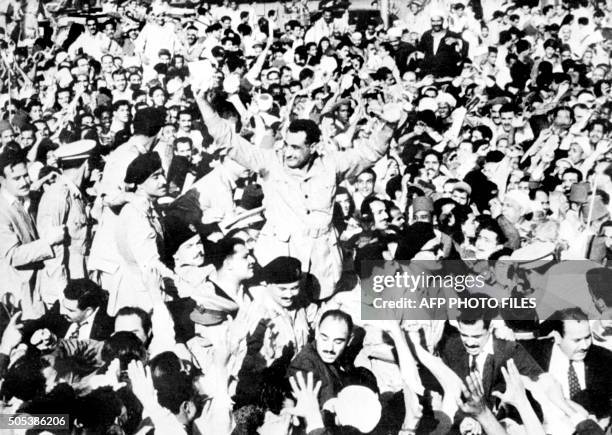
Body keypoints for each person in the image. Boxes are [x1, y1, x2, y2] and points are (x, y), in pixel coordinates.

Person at [196, 93, 402, 300]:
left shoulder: (332, 165)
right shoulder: (270, 162)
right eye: (286, 145)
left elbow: (369, 153)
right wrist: (202, 101)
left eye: (295, 147)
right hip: (279, 263)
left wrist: (389, 126)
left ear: (313, 147)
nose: (287, 153)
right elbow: (228, 140)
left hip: (322, 266)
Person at [0, 149, 65, 319]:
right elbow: (12, 255)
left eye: (26, 175)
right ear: (2, 181)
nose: (25, 182)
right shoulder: (2, 211)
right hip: (18, 295)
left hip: (36, 289)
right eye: (16, 178)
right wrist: (48, 242)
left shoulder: (25, 199)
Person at [112, 151, 175, 315]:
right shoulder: (138, 213)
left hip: (145, 288)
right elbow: (151, 264)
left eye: (162, 174)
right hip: (142, 294)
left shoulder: (146, 207)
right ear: (139, 184)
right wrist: (185, 285)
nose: (163, 181)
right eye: (155, 177)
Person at [36, 140, 96, 306]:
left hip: (80, 276)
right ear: (87, 164)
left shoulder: (75, 194)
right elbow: (52, 249)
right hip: (65, 288)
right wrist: (62, 295)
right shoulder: (59, 195)